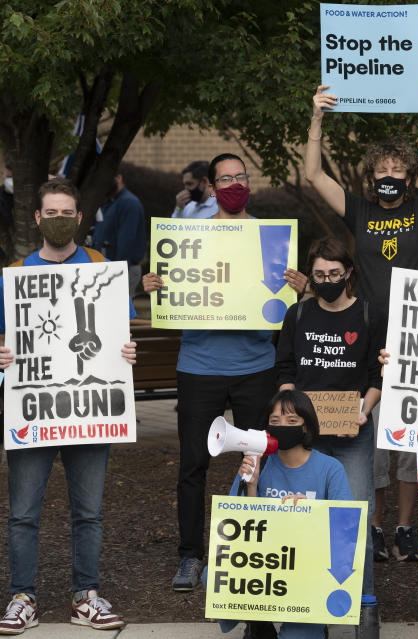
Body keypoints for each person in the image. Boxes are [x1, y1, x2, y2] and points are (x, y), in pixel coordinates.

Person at [305, 82, 418, 562]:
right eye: (381, 170)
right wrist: (317, 119)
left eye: (398, 170)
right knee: (372, 434)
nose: (389, 176)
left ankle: (406, 527)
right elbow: (314, 174)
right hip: (369, 339)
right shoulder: (358, 210)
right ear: (369, 178)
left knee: (414, 442)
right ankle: (374, 529)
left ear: (412, 180)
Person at [142, 153, 308, 591]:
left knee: (260, 460)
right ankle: (190, 556)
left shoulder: (272, 240)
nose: (235, 183)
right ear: (212, 189)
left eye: (241, 176)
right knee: (193, 466)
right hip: (199, 367)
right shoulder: (187, 238)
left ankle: (258, 548)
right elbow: (170, 291)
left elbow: (287, 305)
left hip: (257, 367)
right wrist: (154, 285)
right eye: (225, 179)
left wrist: (299, 289)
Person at [0, 178, 136, 634]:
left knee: (89, 512)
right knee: (22, 513)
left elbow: (119, 334)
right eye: (50, 213)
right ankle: (23, 598)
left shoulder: (102, 267)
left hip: (91, 411)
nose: (59, 220)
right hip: (33, 411)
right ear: (37, 218)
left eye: (66, 213)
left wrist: (127, 352)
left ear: (80, 218)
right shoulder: (15, 274)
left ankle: (86, 597)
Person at [275, 236, 387, 619]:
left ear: (349, 272)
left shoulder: (371, 315)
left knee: (354, 518)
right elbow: (285, 371)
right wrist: (295, 415)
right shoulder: (298, 315)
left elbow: (377, 375)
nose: (326, 280)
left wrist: (363, 411)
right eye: (319, 274)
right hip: (308, 439)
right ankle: (310, 602)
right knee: (308, 519)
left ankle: (364, 601)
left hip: (354, 434)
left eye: (334, 273)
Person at [211, 390, 355, 639]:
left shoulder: (330, 468)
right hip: (267, 565)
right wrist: (252, 485)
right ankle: (258, 621)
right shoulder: (258, 464)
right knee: (213, 573)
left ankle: (313, 623)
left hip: (311, 570)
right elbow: (234, 526)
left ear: (306, 427)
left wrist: (313, 511)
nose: (281, 426)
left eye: (291, 421)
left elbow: (348, 526)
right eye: (274, 421)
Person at [93, 172, 146, 296]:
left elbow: (126, 243)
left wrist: (116, 274)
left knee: (119, 313)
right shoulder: (111, 202)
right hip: (109, 269)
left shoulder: (128, 203)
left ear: (118, 177)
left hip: (121, 270)